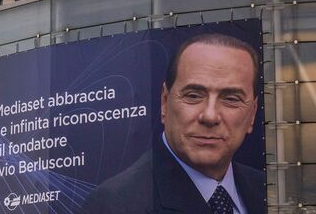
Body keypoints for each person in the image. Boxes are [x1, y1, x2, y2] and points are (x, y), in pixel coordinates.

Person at [79, 33, 265, 214]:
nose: (210, 116)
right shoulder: (114, 205)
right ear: (164, 102)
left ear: (252, 113)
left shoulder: (266, 189)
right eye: (193, 96)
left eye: (231, 99)